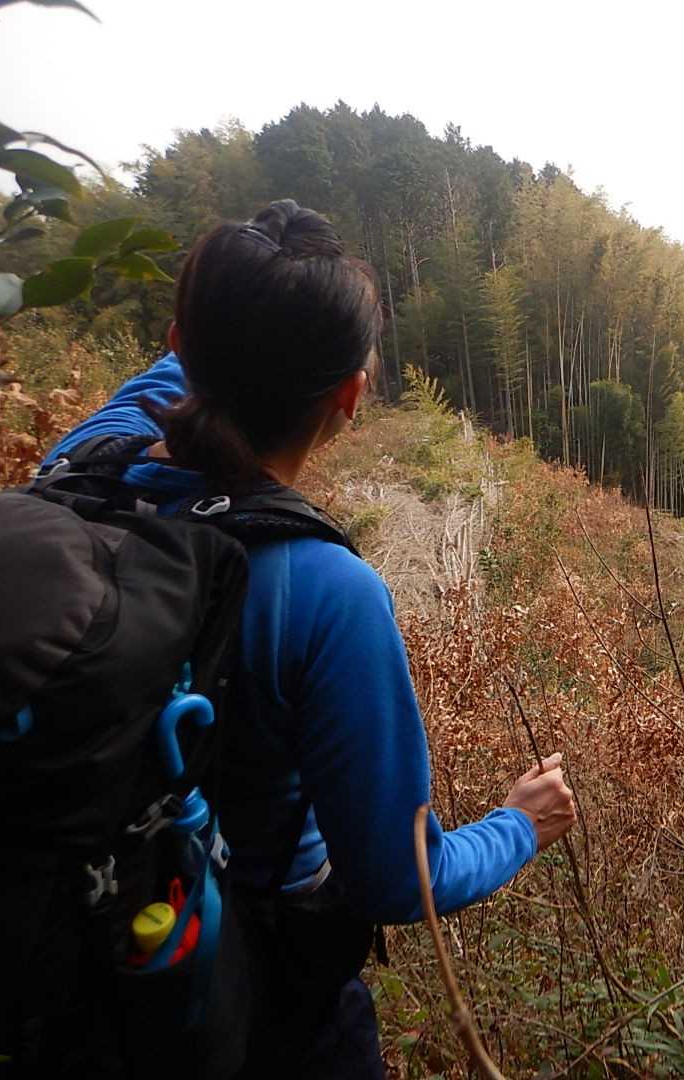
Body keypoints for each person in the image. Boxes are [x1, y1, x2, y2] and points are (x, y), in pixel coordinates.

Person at [41, 199, 577, 1076]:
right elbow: (398, 880)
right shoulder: (323, 591)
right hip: (259, 1008)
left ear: (179, 344)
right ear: (352, 397)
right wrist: (520, 824)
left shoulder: (81, 467)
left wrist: (249, 276)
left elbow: (177, 367)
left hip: (63, 986)